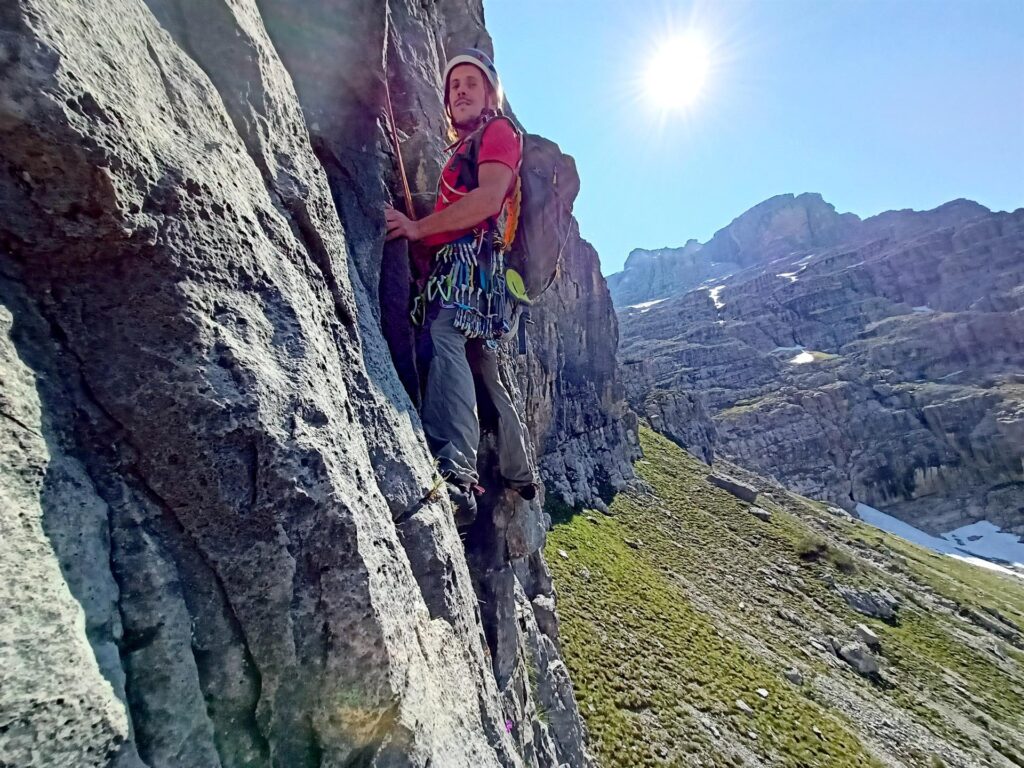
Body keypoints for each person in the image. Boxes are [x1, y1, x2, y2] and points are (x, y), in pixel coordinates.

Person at [384, 48, 537, 520]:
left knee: (446, 337)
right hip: (473, 266)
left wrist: (416, 229)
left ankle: (454, 473)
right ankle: (519, 470)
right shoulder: (468, 146)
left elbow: (488, 200)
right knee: (481, 363)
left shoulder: (497, 132)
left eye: (472, 83)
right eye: (454, 86)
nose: (461, 91)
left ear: (491, 94)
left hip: (470, 263)